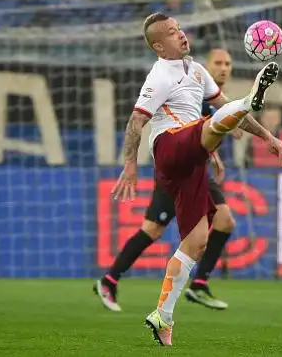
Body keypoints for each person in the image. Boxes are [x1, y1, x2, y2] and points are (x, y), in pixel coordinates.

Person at [111, 13, 282, 346]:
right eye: (171, 33)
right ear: (160, 47)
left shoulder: (196, 69)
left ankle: (163, 315)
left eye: (179, 28)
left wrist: (267, 136)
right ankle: (251, 99)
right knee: (209, 128)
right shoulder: (161, 74)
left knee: (197, 242)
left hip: (193, 163)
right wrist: (130, 164)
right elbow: (136, 120)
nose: (180, 34)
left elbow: (222, 107)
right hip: (169, 146)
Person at [93, 48, 240, 312]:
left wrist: (213, 153)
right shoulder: (189, 85)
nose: (223, 68)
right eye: (218, 62)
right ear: (207, 65)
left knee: (225, 221)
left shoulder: (211, 96)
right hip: (174, 172)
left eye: (228, 63)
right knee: (153, 229)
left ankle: (199, 284)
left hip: (196, 172)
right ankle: (109, 279)